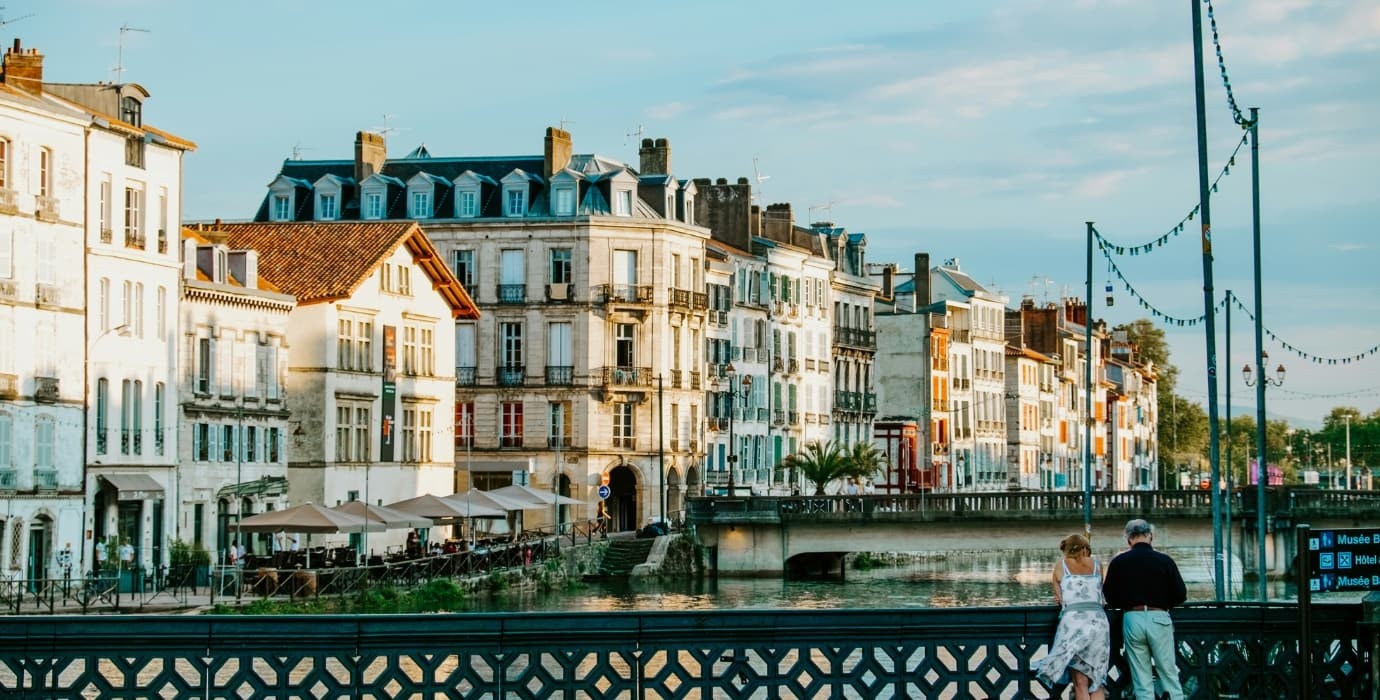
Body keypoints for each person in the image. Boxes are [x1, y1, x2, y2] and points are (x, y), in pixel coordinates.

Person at [1102, 519, 1187, 700]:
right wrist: (1162, 603)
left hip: (1132, 617)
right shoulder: (1165, 560)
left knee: (1141, 677)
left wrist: (1126, 602)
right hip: (1159, 617)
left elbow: (1109, 596)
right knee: (1168, 672)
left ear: (1128, 539)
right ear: (1150, 536)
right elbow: (1180, 594)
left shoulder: (1119, 562)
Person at [1033, 533, 1109, 699]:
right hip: (1099, 623)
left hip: (1074, 624)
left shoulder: (1061, 566)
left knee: (1080, 683)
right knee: (1096, 681)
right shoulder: (1097, 564)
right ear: (1085, 549)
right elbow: (1100, 591)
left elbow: (1060, 599)